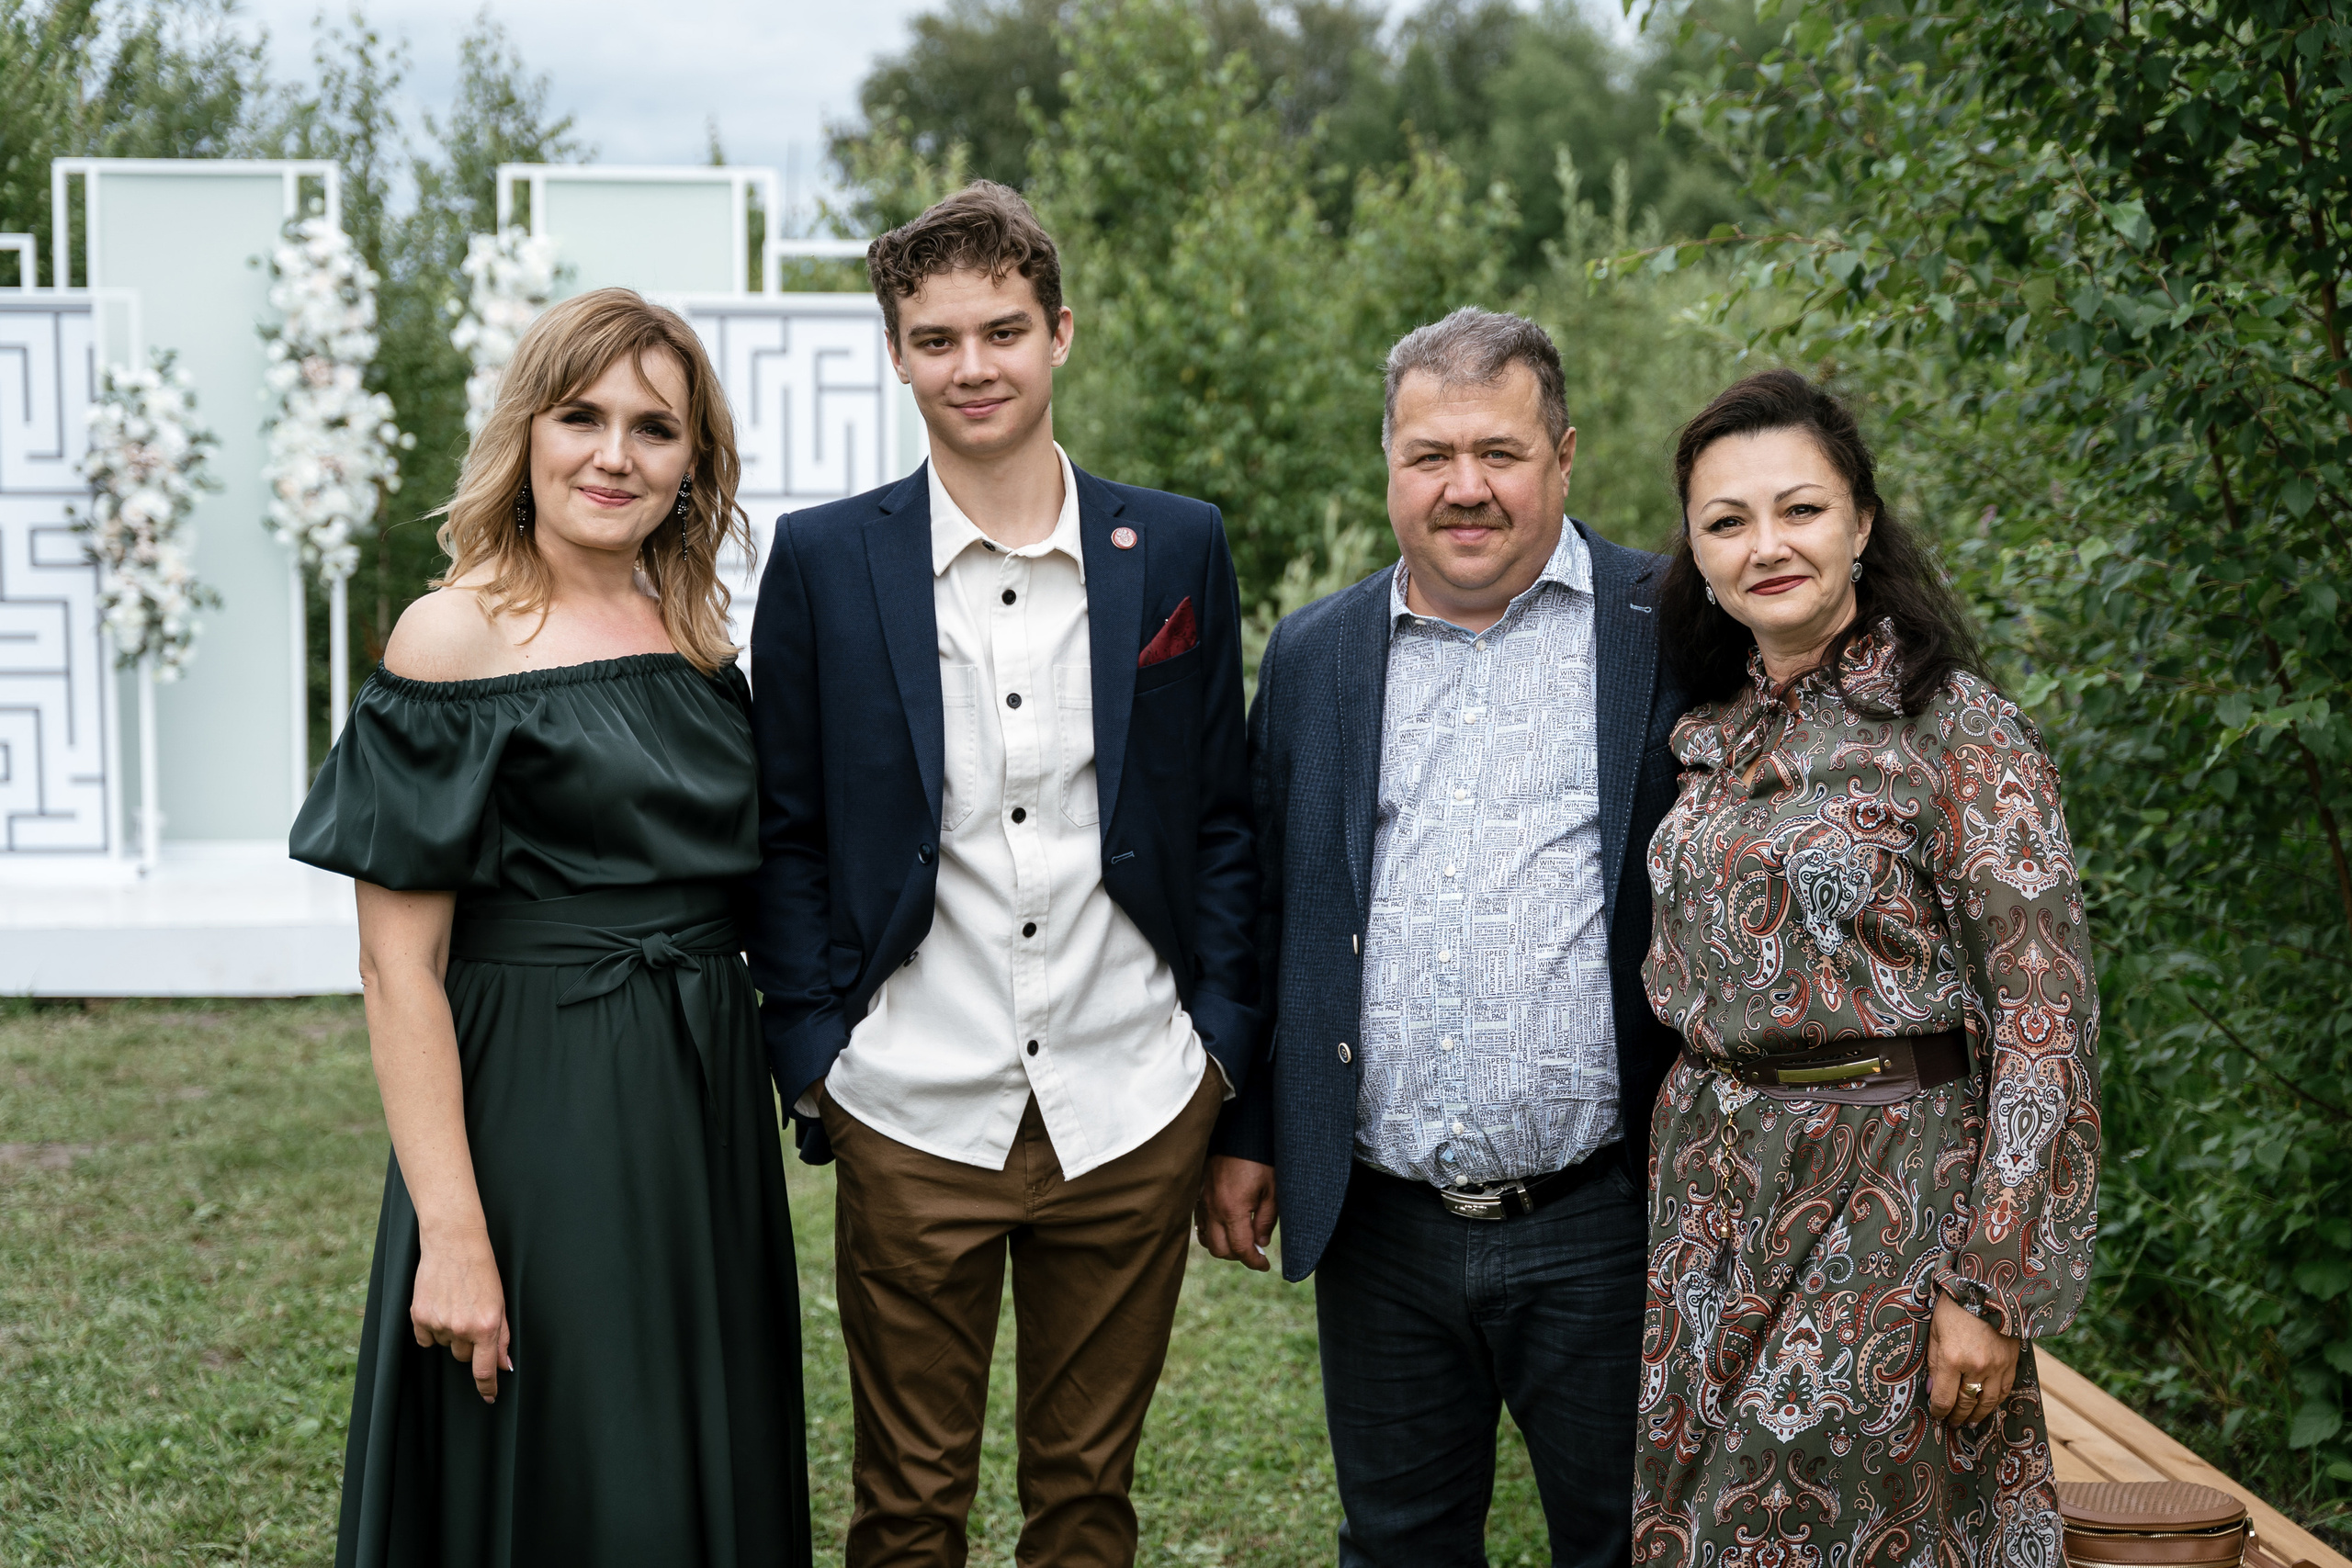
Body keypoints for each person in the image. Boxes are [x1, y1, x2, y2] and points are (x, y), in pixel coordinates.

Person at [745, 180, 1258, 1567]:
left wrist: (1216, 1055)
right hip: (911, 1099)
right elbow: (784, 828)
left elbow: (1219, 818)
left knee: (1088, 1504)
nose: (972, 366)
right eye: (936, 338)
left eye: (1003, 330)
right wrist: (817, 1057)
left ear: (1061, 334)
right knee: (907, 1507)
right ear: (899, 351)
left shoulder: (1179, 547)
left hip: (1130, 1097)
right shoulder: (823, 561)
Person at [291, 288, 811, 1567]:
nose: (614, 454)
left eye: (654, 427)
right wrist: (455, 1237)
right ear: (527, 431)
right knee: (581, 1463)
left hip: (700, 1110)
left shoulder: (695, 638)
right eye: (581, 416)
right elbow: (395, 964)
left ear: (696, 463)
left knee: (696, 1446)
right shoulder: (454, 636)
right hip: (539, 1111)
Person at [1199, 306, 1690, 1567]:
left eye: (1500, 452)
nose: (1464, 488)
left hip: (1610, 1207)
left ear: (1564, 458)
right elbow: (1274, 908)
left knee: (1629, 1543)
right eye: (1430, 455)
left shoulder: (1673, 627)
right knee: (1400, 1544)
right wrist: (1248, 1132)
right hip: (1384, 1220)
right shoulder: (1315, 654)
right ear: (1388, 465)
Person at [1633, 369, 2102, 1566]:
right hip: (1714, 1203)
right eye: (1726, 522)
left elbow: (2046, 1015)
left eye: (1800, 509)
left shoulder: (1958, 732)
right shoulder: (1711, 739)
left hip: (1894, 1197)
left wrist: (1993, 1285)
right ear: (1697, 551)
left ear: (1862, 523)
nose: (1766, 545)